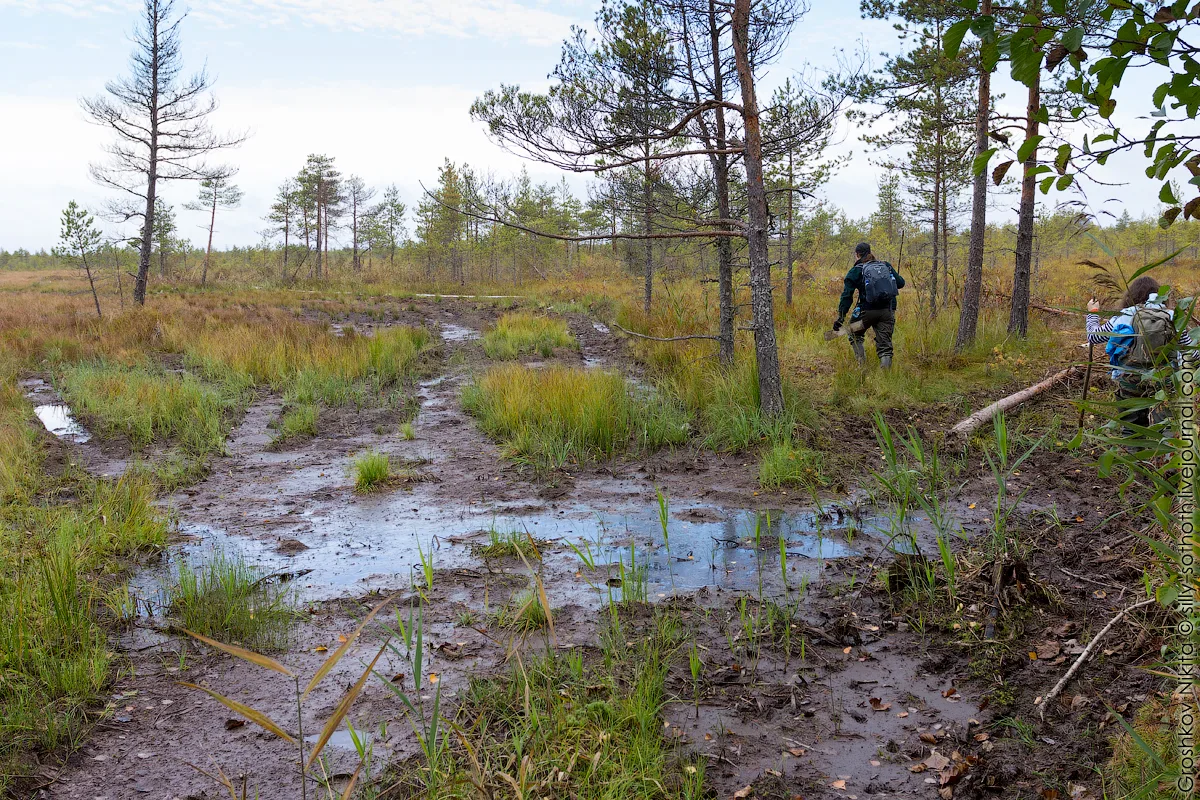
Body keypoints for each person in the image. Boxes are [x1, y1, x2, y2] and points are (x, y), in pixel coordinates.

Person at [1086, 275, 1192, 429]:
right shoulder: (1172, 316)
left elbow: (1093, 337)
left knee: (1131, 429)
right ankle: (1166, 452)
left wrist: (1093, 312)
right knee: (1167, 429)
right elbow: (1191, 353)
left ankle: (1133, 451)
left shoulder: (1124, 315)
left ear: (1131, 295)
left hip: (1130, 379)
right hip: (1165, 380)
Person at [833, 242, 906, 368]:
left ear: (857, 255)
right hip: (887, 312)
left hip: (866, 314)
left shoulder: (856, 271)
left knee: (853, 333)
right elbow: (900, 283)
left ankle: (862, 366)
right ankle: (885, 378)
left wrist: (840, 318)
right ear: (870, 252)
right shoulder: (885, 265)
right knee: (885, 346)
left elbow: (846, 297)